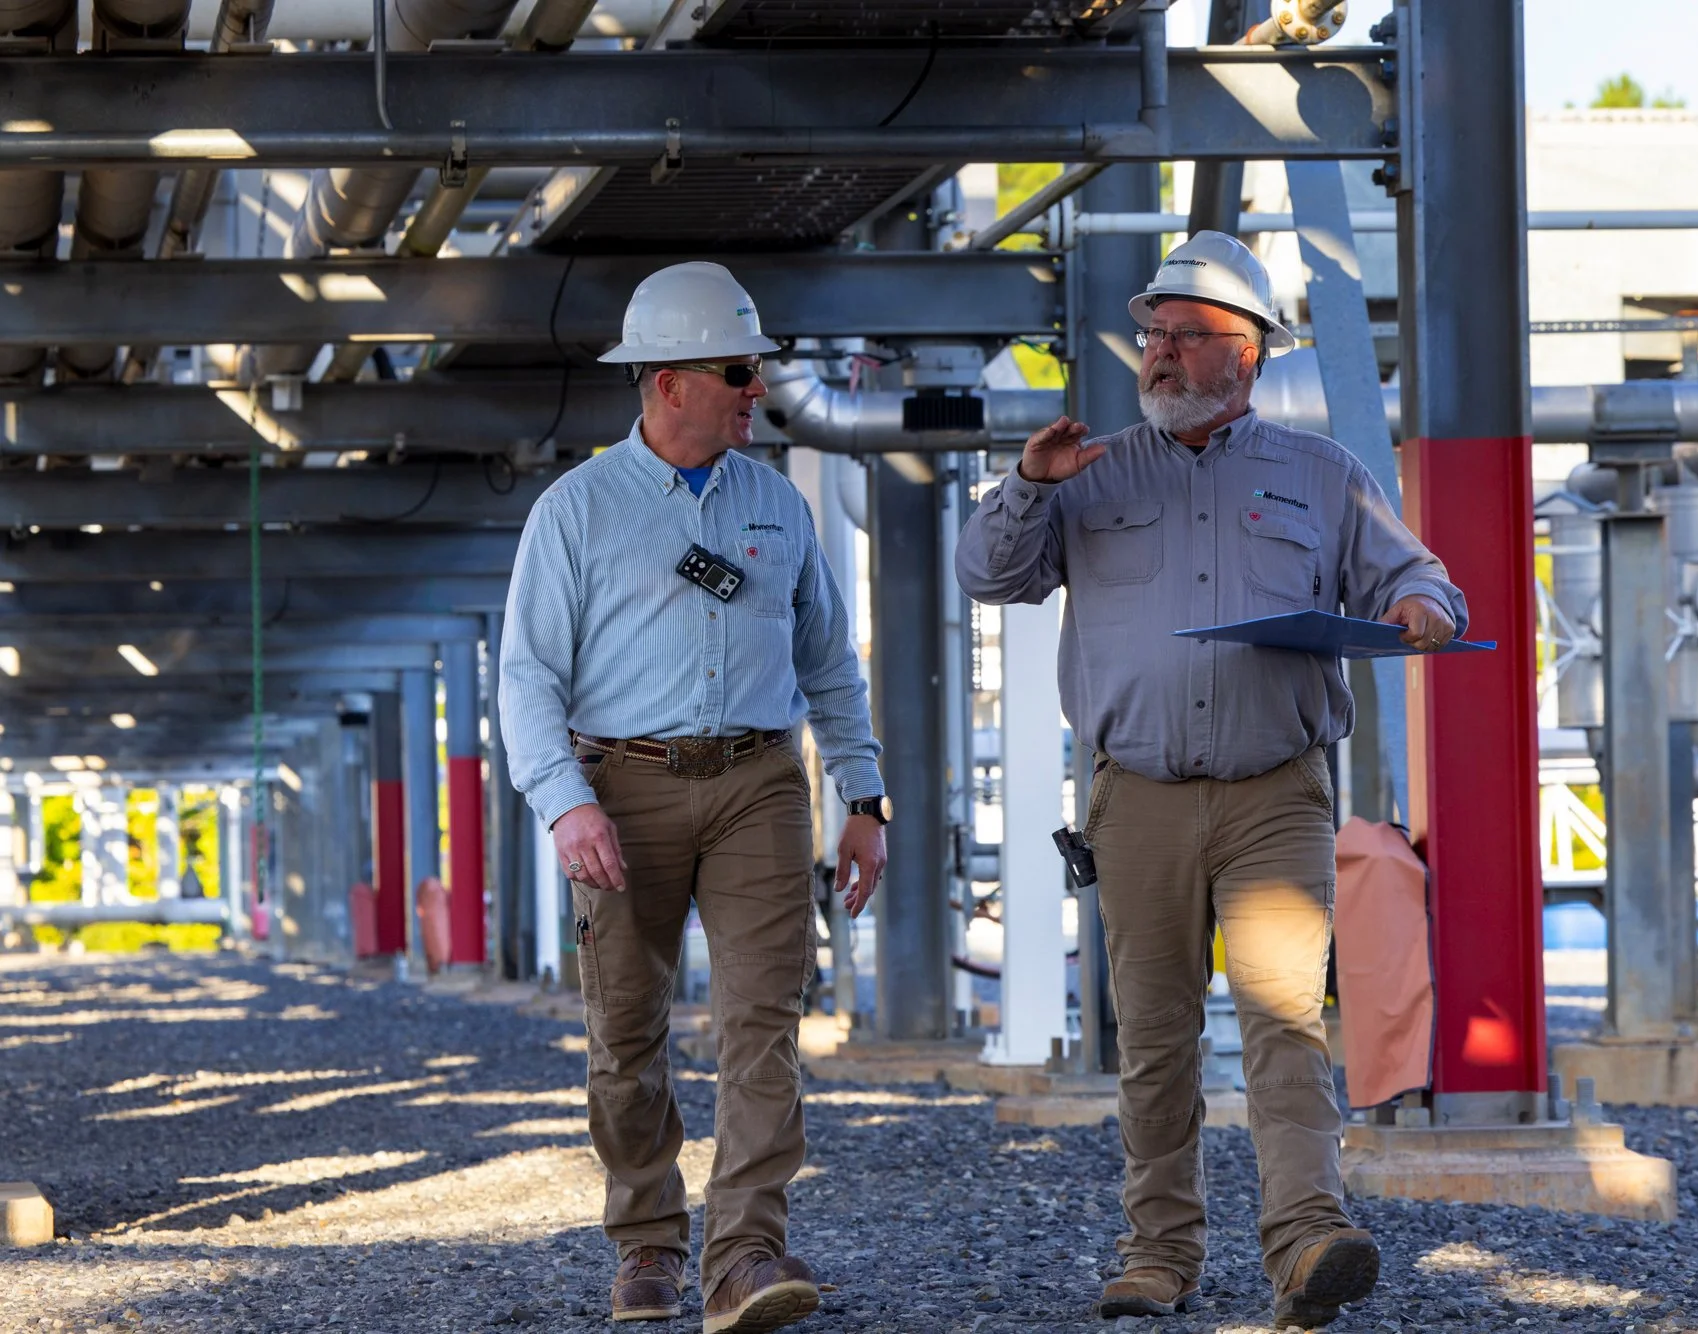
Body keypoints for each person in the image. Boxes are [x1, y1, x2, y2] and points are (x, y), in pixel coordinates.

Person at [955, 231, 1467, 1331]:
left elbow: (1420, 576)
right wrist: (1024, 486)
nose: (1159, 354)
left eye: (1186, 336)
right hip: (1132, 792)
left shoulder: (1320, 475)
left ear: (1247, 356)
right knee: (1151, 1034)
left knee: (1285, 1019)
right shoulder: (1086, 472)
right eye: (1152, 333)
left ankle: (1305, 1240)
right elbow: (987, 574)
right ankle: (1158, 1251)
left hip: (1272, 791)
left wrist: (1423, 610)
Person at [499, 261, 892, 1332]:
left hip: (761, 782)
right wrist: (564, 800)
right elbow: (526, 675)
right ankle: (646, 1240)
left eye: (755, 367)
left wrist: (864, 793)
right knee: (625, 1033)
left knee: (764, 1018)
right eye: (736, 370)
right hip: (619, 788)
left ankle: (746, 1251)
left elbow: (827, 663)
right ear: (668, 381)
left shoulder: (776, 504)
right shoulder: (575, 512)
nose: (754, 387)